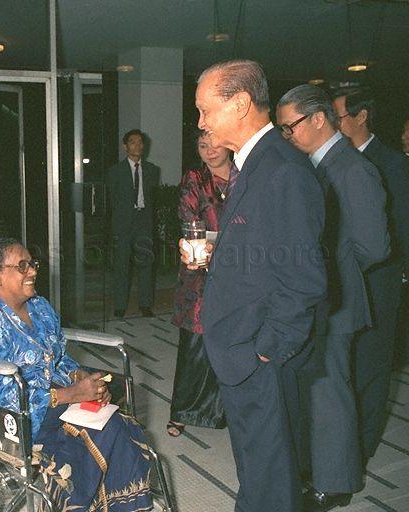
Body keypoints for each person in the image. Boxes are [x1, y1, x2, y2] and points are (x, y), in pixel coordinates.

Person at [188, 60, 327, 512]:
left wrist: (265, 349)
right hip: (242, 347)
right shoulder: (256, 163)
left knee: (271, 472)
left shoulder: (282, 169)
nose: (201, 123)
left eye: (206, 111)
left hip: (259, 354)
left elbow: (303, 280)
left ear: (241, 103)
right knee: (258, 465)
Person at [0, 238, 156, 511]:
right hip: (17, 419)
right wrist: (70, 395)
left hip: (57, 397)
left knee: (116, 424)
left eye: (33, 264)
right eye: (22, 266)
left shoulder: (40, 308)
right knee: (103, 432)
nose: (33, 271)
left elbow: (59, 357)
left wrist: (80, 378)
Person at [277, 84, 389, 511]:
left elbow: (375, 247)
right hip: (317, 295)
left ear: (318, 119)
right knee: (314, 387)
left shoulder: (351, 168)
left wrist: (334, 263)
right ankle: (316, 469)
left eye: (291, 127)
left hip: (337, 297)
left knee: (330, 391)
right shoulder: (316, 165)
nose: (287, 135)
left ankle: (336, 483)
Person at [333, 88, 409, 466]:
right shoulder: (333, 161)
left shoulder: (392, 163)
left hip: (379, 282)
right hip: (343, 283)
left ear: (361, 117)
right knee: (341, 368)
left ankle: (360, 453)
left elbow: (398, 231)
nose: (333, 125)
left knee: (371, 370)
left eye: (339, 117)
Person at [168, 130, 229, 437]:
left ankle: (225, 410)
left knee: (232, 339)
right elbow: (188, 217)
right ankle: (181, 411)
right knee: (195, 341)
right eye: (203, 145)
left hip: (238, 269)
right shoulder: (195, 178)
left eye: (216, 143)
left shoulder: (245, 174)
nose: (210, 150)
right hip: (200, 269)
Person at [106, 129, 160, 318]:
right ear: (125, 146)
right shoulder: (115, 171)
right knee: (122, 266)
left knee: (145, 263)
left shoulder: (153, 170)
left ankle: (145, 305)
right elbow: (112, 200)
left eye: (140, 142)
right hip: (123, 223)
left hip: (143, 222)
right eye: (132, 142)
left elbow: (153, 198)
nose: (137, 145)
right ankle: (120, 305)